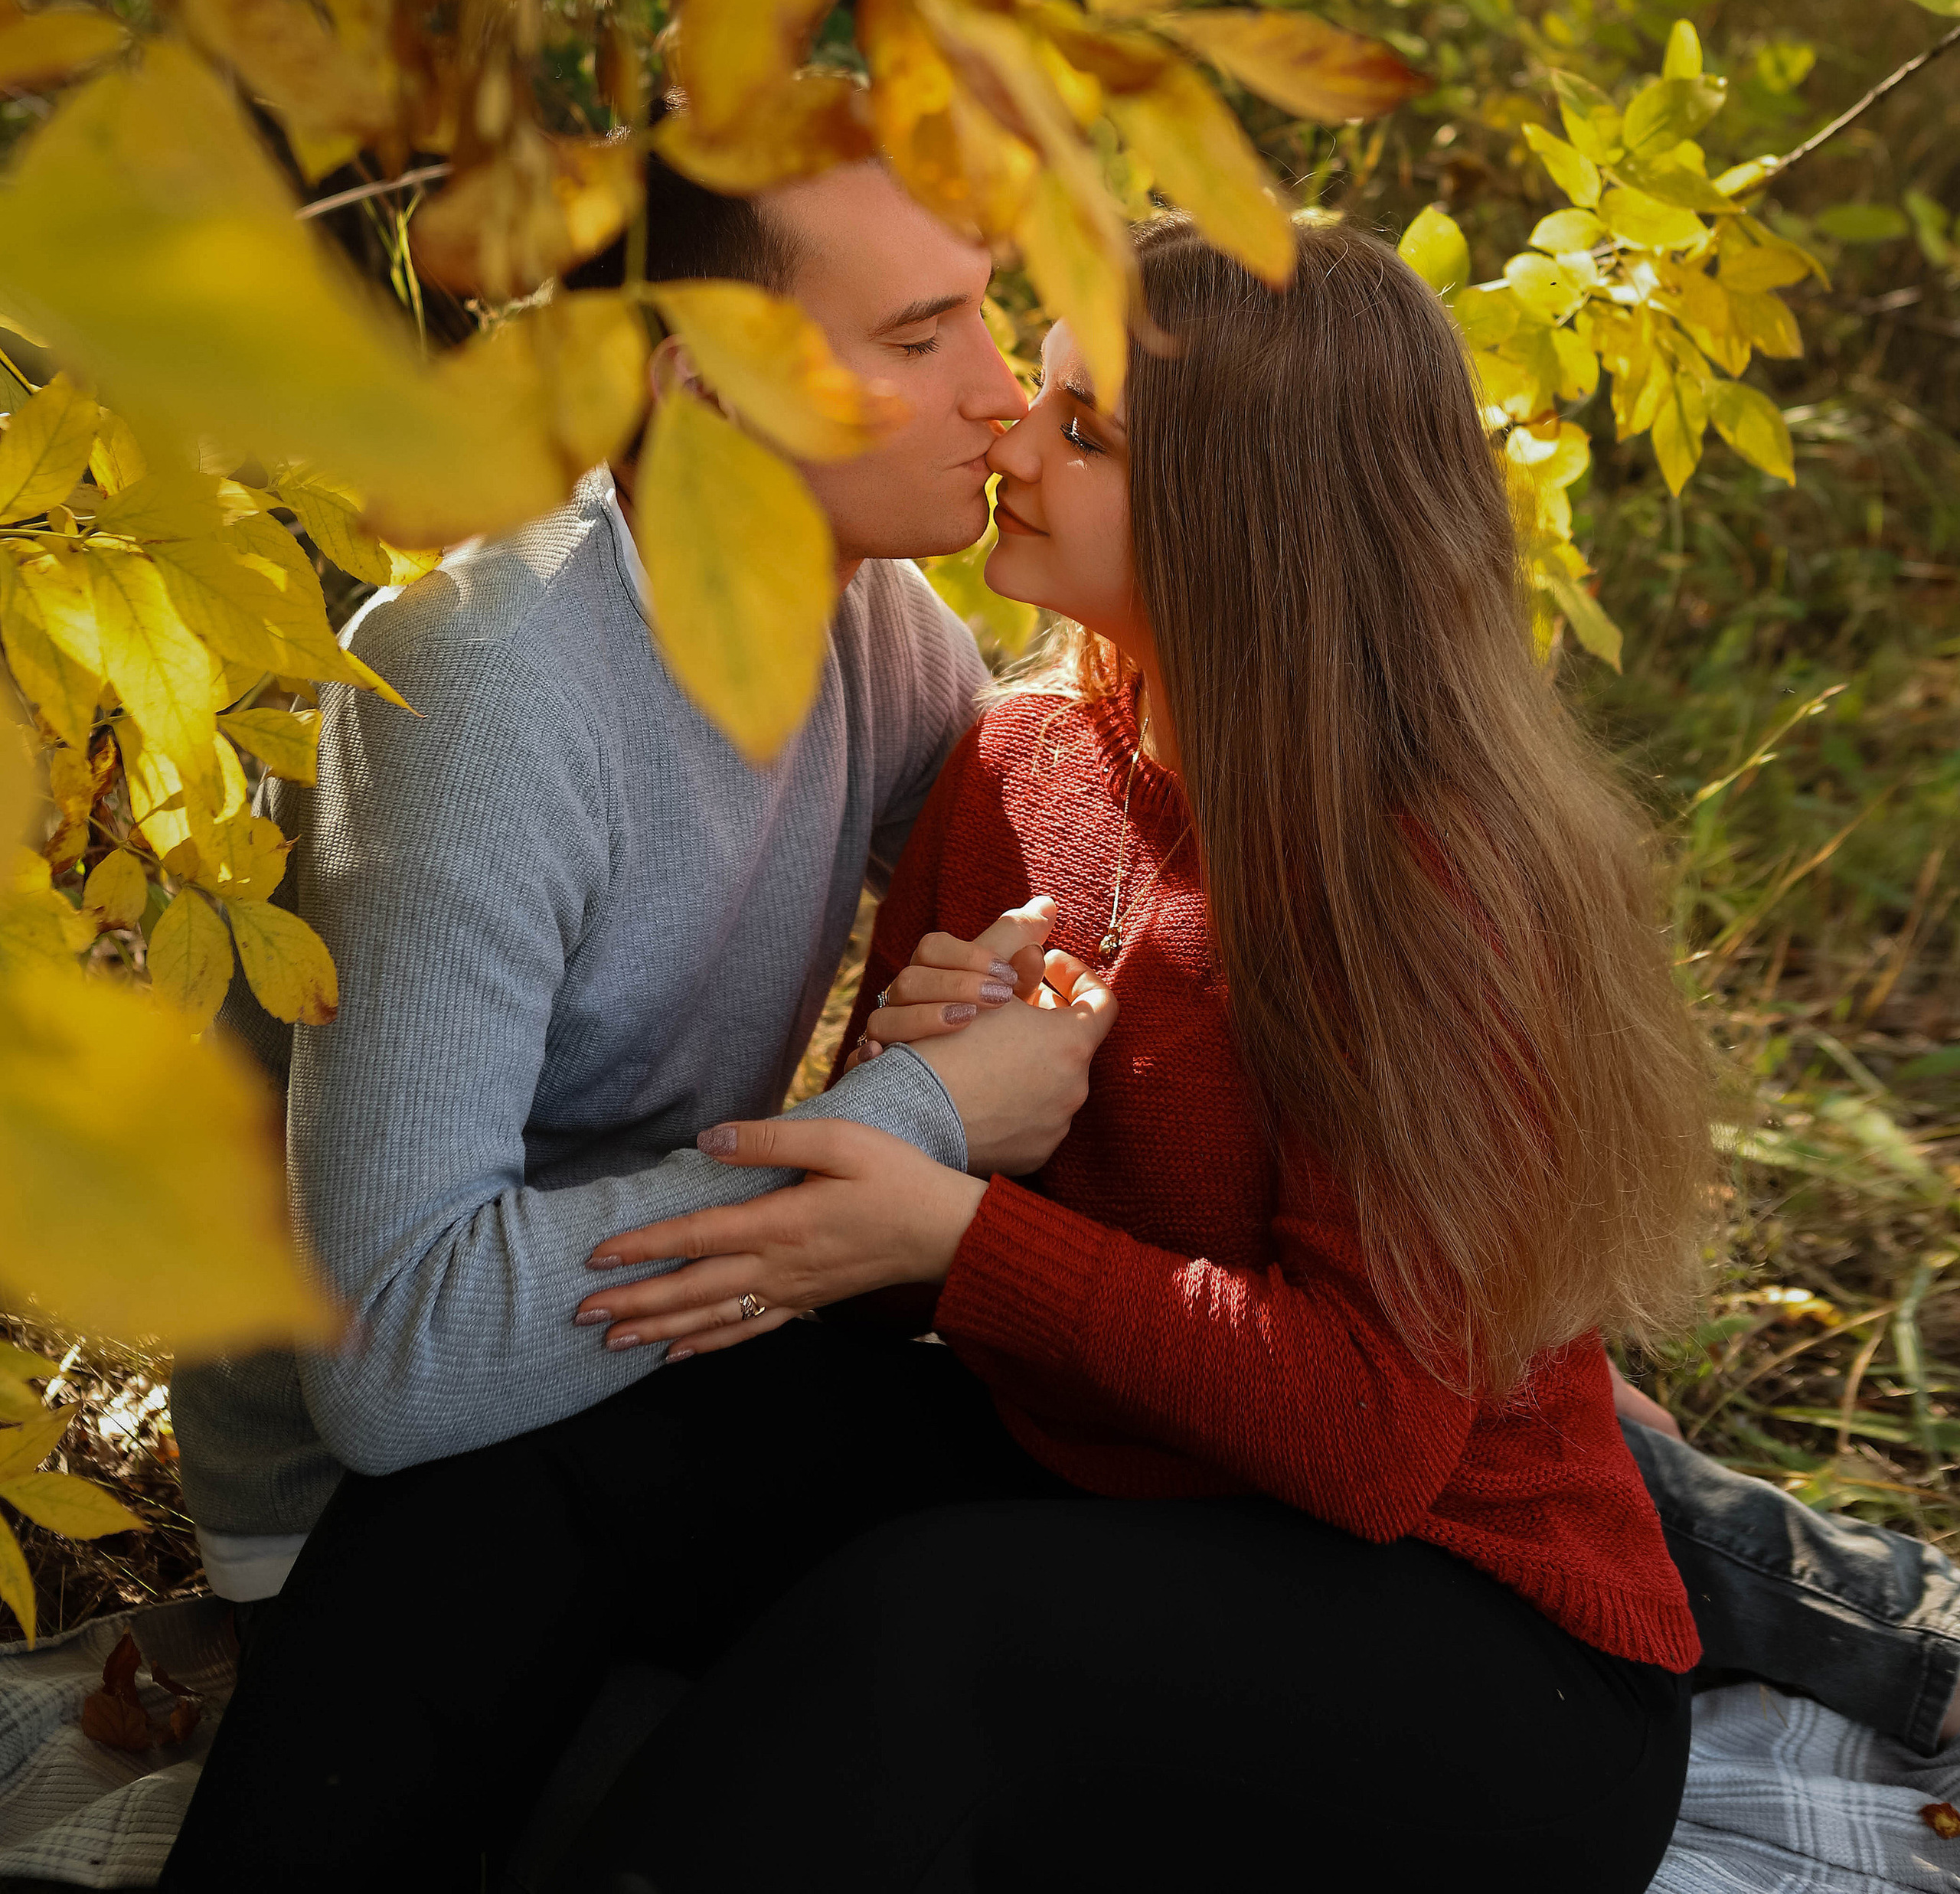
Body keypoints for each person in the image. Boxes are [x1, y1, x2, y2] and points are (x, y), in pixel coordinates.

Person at [168, 209, 1715, 1894]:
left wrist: (964, 1226)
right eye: (1006, 371)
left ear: (1244, 512)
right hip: (1107, 1480)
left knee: (923, 1635)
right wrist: (943, 1148)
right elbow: (908, 1293)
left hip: (1460, 1627)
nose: (1004, 426)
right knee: (544, 1457)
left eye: (1083, 426)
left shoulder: (1413, 874)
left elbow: (1368, 1442)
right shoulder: (1014, 759)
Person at [165, 146, 1112, 1625]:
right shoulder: (487, 684)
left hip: (650, 1380)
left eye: (986, 319)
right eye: (919, 341)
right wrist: (913, 1120)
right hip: (379, 1518)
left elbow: (1087, 923)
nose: (998, 395)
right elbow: (394, 1364)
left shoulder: (867, 610)